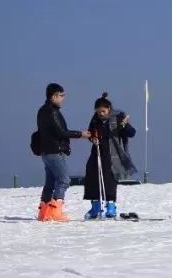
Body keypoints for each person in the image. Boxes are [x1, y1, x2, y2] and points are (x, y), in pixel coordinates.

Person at [36, 83, 91, 222]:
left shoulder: (42, 110)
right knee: (64, 180)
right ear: (54, 96)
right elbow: (61, 132)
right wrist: (81, 134)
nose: (63, 98)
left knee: (50, 182)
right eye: (61, 95)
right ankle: (55, 211)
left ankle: (44, 212)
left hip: (45, 151)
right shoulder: (52, 111)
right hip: (55, 151)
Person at [83, 93, 137, 219]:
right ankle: (95, 206)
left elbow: (131, 133)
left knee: (109, 179)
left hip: (112, 154)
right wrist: (92, 139)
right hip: (97, 152)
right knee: (92, 177)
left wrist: (124, 126)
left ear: (109, 109)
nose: (101, 114)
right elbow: (91, 133)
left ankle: (111, 205)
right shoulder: (95, 119)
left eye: (103, 111)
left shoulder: (118, 117)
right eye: (98, 111)